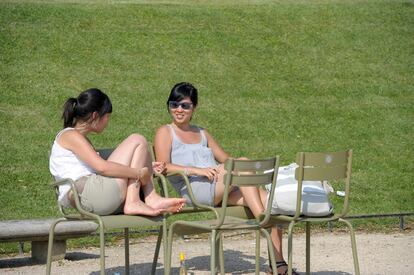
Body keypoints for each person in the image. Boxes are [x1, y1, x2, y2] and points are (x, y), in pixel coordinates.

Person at [154, 82, 297, 275]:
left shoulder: (202, 132)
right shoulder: (165, 132)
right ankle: (262, 220)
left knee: (267, 201)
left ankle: (278, 265)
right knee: (244, 167)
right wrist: (197, 170)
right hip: (195, 190)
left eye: (185, 105)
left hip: (218, 186)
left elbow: (226, 160)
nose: (179, 110)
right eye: (174, 104)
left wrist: (246, 170)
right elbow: (163, 167)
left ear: (194, 108)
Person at [49, 88, 186, 217]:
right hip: (90, 195)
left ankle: (146, 200)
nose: (108, 122)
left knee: (140, 147)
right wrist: (138, 173)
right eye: (107, 116)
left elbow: (107, 165)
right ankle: (142, 200)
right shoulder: (70, 135)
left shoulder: (80, 139)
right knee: (137, 140)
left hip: (94, 198)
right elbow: (102, 168)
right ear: (95, 115)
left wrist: (148, 166)